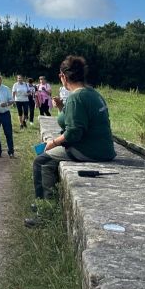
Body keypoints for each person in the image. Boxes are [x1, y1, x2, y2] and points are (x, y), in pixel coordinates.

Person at [27, 56, 116, 226]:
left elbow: (74, 133)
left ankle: (45, 212)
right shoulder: (92, 93)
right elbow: (75, 119)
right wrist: (61, 108)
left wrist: (53, 142)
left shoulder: (76, 97)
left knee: (41, 161)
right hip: (103, 148)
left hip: (89, 150)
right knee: (45, 156)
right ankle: (41, 202)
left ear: (63, 76)